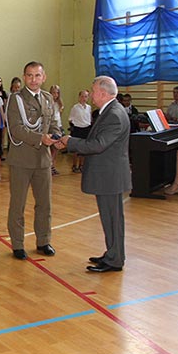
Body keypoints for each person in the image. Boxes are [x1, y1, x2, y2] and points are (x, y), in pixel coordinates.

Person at [59, 76, 131, 273]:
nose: (90, 95)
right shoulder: (108, 111)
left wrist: (69, 142)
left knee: (113, 219)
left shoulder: (114, 114)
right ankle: (112, 254)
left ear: (103, 93)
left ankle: (115, 259)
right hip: (107, 174)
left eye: (92, 91)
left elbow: (98, 145)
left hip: (110, 175)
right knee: (109, 218)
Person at [5, 61, 60, 260]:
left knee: (45, 204)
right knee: (18, 205)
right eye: (29, 75)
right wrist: (41, 139)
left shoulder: (47, 98)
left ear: (43, 77)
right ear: (24, 77)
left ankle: (44, 241)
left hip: (43, 160)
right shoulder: (15, 100)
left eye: (37, 75)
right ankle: (18, 244)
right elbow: (17, 129)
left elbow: (53, 123)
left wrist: (57, 137)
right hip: (21, 159)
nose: (33, 79)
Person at [68, 89, 92, 173]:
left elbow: (89, 118)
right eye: (82, 96)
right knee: (75, 149)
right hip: (77, 129)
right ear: (79, 97)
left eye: (86, 96)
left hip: (86, 129)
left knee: (83, 149)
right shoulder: (75, 107)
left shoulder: (89, 107)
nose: (84, 98)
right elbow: (70, 119)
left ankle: (81, 165)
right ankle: (74, 165)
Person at [48, 84, 64, 175]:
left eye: (57, 93)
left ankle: (53, 165)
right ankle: (49, 166)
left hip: (58, 126)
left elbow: (59, 115)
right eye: (53, 92)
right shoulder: (48, 103)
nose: (55, 95)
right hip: (52, 127)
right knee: (51, 148)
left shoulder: (59, 103)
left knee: (57, 148)